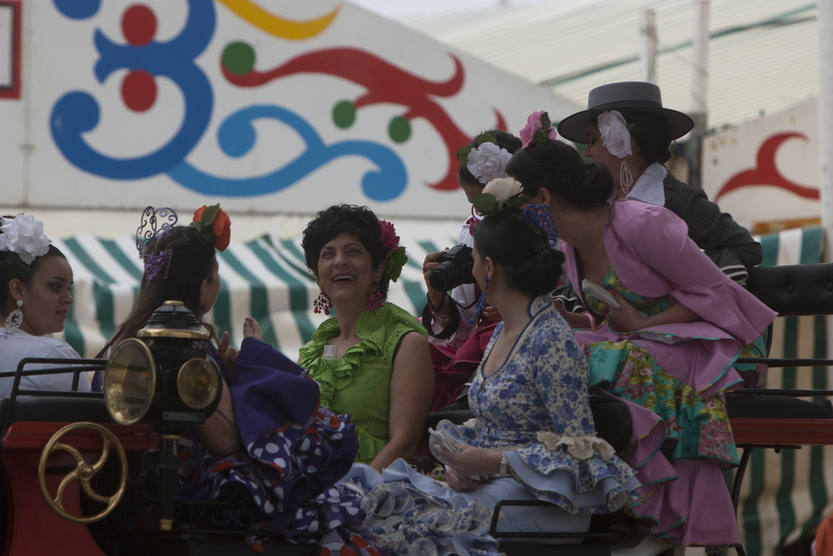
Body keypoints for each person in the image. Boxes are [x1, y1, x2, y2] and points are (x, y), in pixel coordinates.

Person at [506, 125, 777, 549]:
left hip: (712, 343)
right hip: (641, 342)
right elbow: (613, 324)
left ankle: (643, 504)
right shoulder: (567, 249)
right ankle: (597, 498)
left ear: (542, 198)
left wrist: (641, 326)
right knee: (552, 351)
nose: (519, 217)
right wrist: (574, 322)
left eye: (519, 205)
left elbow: (718, 295)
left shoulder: (640, 223)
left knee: (611, 360)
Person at [335, 190, 640, 555]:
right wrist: (462, 464)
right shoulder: (503, 331)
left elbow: (580, 449)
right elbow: (497, 426)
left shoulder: (551, 340)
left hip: (542, 504)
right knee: (378, 497)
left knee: (398, 517)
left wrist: (491, 461)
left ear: (490, 268)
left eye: (475, 261)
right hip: (496, 492)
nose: (472, 271)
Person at [103, 205, 369, 551]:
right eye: (215, 275)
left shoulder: (127, 340)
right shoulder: (186, 344)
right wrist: (253, 362)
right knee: (318, 441)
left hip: (126, 484)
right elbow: (223, 438)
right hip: (183, 490)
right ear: (203, 287)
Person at [557, 81, 762, 285]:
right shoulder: (597, 200)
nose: (587, 152)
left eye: (593, 140)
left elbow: (745, 248)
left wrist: (675, 275)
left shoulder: (675, 198)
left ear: (627, 142)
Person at [298, 204, 434, 471]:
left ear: (378, 269)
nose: (339, 261)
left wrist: (353, 494)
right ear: (317, 274)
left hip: (374, 496)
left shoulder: (405, 342)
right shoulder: (313, 350)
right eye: (328, 254)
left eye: (353, 251)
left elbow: (404, 443)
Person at [422, 129, 522, 410]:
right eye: (474, 205)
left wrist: (519, 309)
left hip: (520, 340)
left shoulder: (543, 232)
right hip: (480, 344)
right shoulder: (471, 232)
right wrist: (438, 299)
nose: (480, 213)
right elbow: (468, 316)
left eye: (485, 204)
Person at [0, 214, 92, 395]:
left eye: (69, 288)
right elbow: (88, 424)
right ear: (18, 290)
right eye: (55, 287)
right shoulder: (51, 356)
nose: (69, 299)